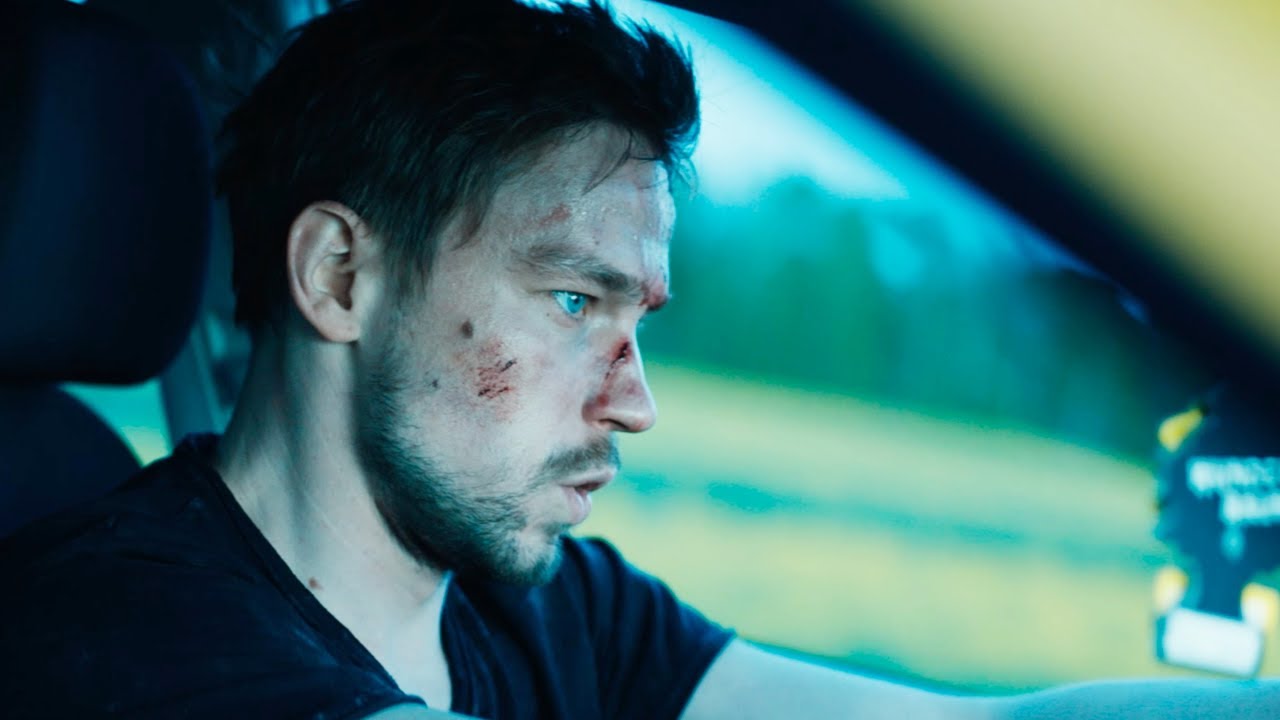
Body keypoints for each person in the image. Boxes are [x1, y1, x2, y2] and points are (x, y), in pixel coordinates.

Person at [0, 0, 1276, 718]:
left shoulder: (541, 606)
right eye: (572, 301)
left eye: (637, 322)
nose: (635, 402)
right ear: (340, 275)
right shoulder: (119, 636)